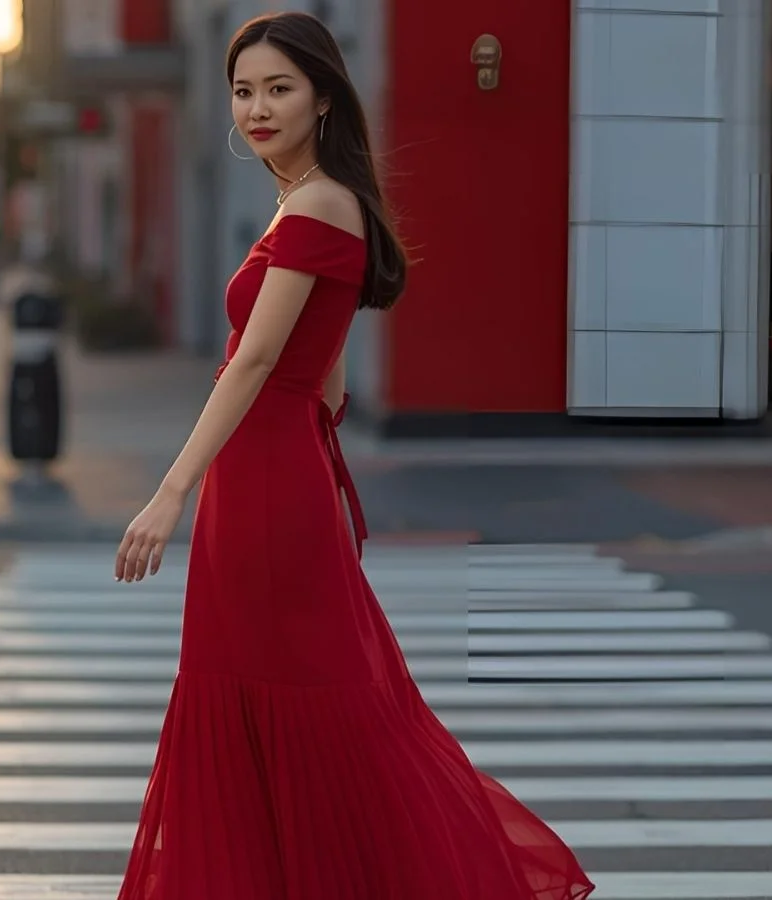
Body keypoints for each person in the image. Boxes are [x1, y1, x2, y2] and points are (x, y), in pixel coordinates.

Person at [111, 11, 595, 899]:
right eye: (244, 91)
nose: (256, 108)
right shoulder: (312, 203)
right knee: (301, 698)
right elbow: (328, 384)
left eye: (279, 89)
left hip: (261, 485)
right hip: (276, 476)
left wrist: (169, 491)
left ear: (324, 97)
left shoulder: (320, 203)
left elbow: (255, 360)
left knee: (297, 702)